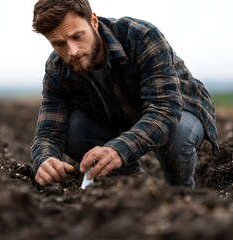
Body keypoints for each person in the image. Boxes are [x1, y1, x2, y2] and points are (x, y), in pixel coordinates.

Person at [30, 0, 219, 189]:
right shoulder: (57, 68)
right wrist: (45, 160)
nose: (72, 51)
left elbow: (165, 110)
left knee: (176, 137)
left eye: (77, 36)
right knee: (75, 130)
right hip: (119, 118)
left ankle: (181, 194)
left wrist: (119, 149)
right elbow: (48, 132)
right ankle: (130, 187)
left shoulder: (141, 37)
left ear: (93, 21)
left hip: (179, 110)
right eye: (59, 43)